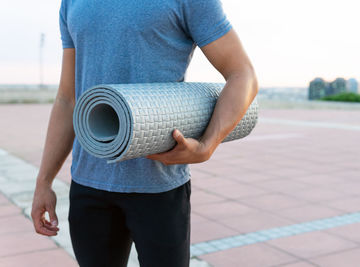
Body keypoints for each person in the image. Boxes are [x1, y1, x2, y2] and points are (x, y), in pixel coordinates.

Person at [31, 0, 258, 266]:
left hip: (159, 187)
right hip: (88, 185)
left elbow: (243, 74)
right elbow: (68, 99)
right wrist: (43, 182)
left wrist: (208, 145)